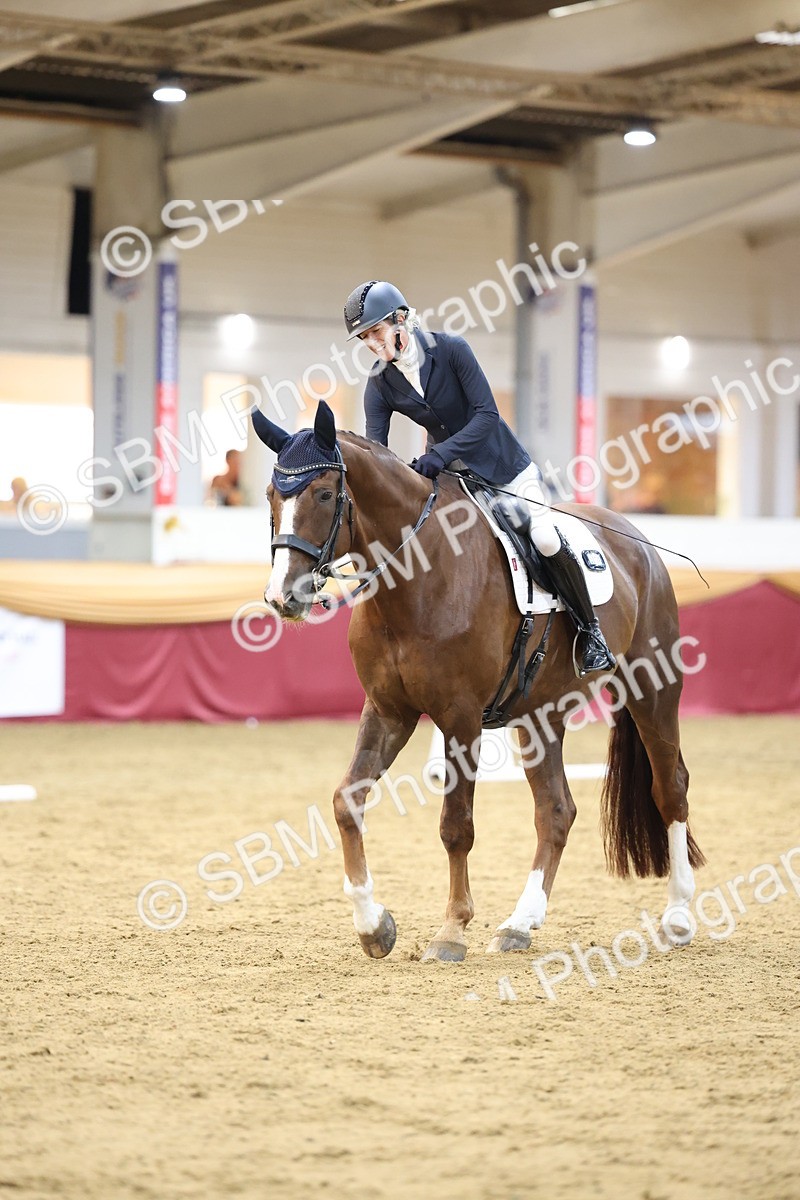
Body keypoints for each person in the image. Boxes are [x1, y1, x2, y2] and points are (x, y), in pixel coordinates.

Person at [343, 279, 616, 676]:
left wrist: (439, 454)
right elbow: (377, 454)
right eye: (365, 338)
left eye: (377, 332)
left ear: (401, 319)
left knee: (542, 535)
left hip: (506, 470)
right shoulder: (380, 383)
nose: (372, 343)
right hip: (456, 484)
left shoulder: (451, 349)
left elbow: (486, 416)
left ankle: (591, 633)